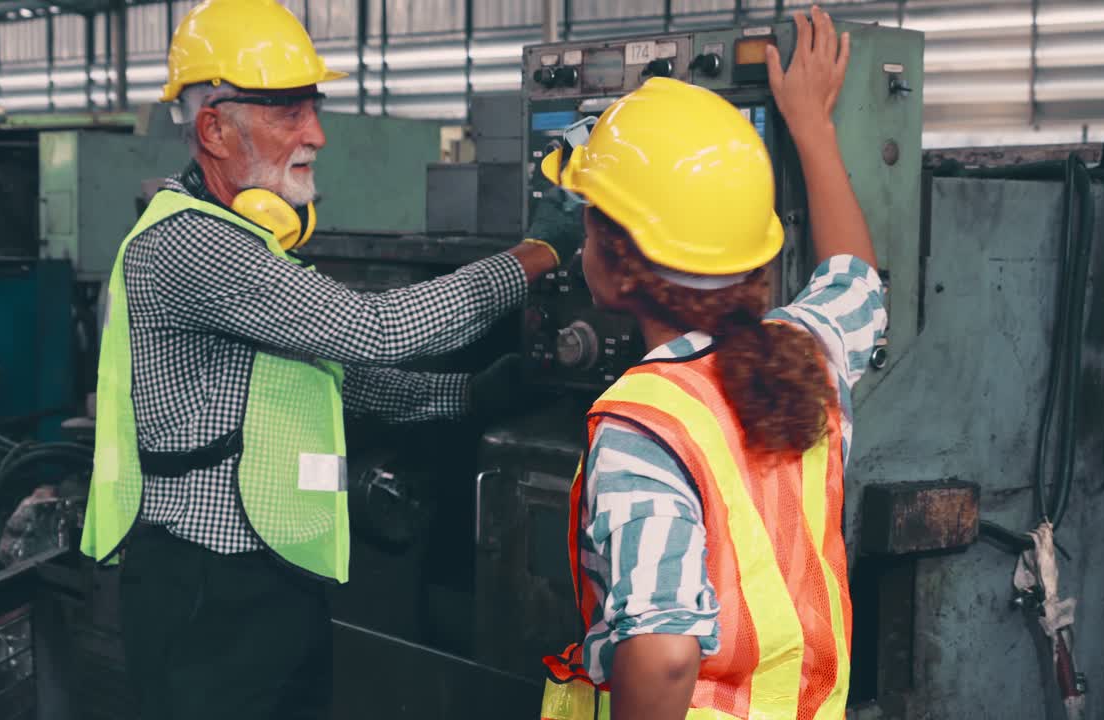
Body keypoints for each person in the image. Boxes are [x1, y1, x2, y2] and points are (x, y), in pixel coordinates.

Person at [77, 1, 582, 718]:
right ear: (214, 128)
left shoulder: (247, 242)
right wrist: (535, 255)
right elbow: (373, 330)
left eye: (313, 107)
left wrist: (471, 395)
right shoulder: (189, 245)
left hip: (273, 577)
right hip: (207, 591)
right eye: (287, 111)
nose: (315, 133)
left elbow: (344, 378)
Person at [538, 8, 887, 720]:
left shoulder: (646, 424)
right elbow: (858, 282)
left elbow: (664, 653)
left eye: (591, 220)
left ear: (619, 262)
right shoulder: (808, 358)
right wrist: (812, 126)